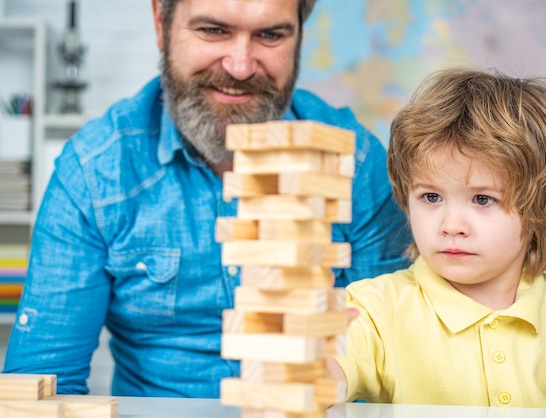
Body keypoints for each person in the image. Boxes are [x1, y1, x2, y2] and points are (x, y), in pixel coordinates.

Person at [2, 0, 412, 397]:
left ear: (300, 38)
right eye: (213, 30)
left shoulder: (355, 162)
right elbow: (42, 385)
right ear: (161, 21)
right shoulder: (95, 171)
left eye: (270, 35)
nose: (239, 65)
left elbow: (388, 367)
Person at [327, 68, 546, 407]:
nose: (451, 225)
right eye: (431, 197)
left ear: (541, 207)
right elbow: (323, 380)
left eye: (483, 199)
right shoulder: (373, 309)